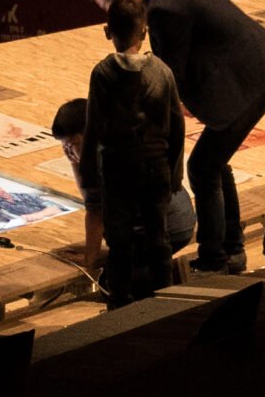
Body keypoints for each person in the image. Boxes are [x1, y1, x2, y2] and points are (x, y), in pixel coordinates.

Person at [88, 0, 265, 274]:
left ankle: (215, 261)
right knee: (214, 164)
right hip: (257, 68)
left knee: (202, 168)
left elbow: (171, 77)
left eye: (112, 6)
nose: (114, 16)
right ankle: (232, 250)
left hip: (252, 81)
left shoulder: (165, 9)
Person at [81, 0, 189, 303]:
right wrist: (175, 173)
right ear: (144, 32)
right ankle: (165, 303)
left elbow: (93, 129)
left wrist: (90, 177)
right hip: (155, 169)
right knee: (159, 239)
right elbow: (177, 127)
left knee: (120, 243)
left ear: (107, 32)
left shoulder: (102, 74)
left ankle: (119, 306)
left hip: (117, 172)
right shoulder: (162, 72)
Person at [50, 96, 196, 269]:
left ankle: (129, 261)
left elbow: (96, 214)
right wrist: (76, 161)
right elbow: (90, 196)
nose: (68, 151)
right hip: (179, 221)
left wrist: (90, 259)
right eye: (64, 147)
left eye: (73, 144)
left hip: (168, 231)